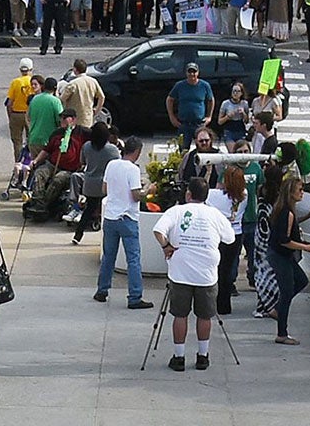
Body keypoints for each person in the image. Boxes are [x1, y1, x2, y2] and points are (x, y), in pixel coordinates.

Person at [154, 175, 236, 374]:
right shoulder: (214, 214)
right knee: (205, 316)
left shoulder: (176, 211)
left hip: (180, 273)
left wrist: (166, 246)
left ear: (188, 194)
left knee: (180, 315)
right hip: (206, 273)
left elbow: (158, 230)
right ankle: (202, 355)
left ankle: (179, 356)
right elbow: (230, 239)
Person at [266, 169, 310, 348]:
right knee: (286, 292)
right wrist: (307, 247)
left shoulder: (287, 211)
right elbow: (285, 241)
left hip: (282, 254)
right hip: (280, 255)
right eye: (299, 190)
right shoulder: (287, 213)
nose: (302, 193)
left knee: (301, 280)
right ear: (290, 193)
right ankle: (282, 332)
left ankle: (278, 309)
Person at [95, 137, 152, 309]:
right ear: (137, 152)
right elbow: (136, 195)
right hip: (127, 218)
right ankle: (135, 296)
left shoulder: (112, 164)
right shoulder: (133, 169)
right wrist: (148, 190)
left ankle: (102, 290)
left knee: (108, 256)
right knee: (133, 259)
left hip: (111, 217)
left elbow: (105, 189)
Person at [166, 61, 214, 150]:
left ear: (198, 73)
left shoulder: (205, 85)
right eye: (189, 72)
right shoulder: (179, 85)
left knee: (203, 149)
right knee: (183, 150)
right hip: (184, 124)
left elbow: (211, 100)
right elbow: (170, 99)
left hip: (199, 124)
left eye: (194, 72)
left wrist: (209, 116)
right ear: (186, 73)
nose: (192, 74)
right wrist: (172, 117)